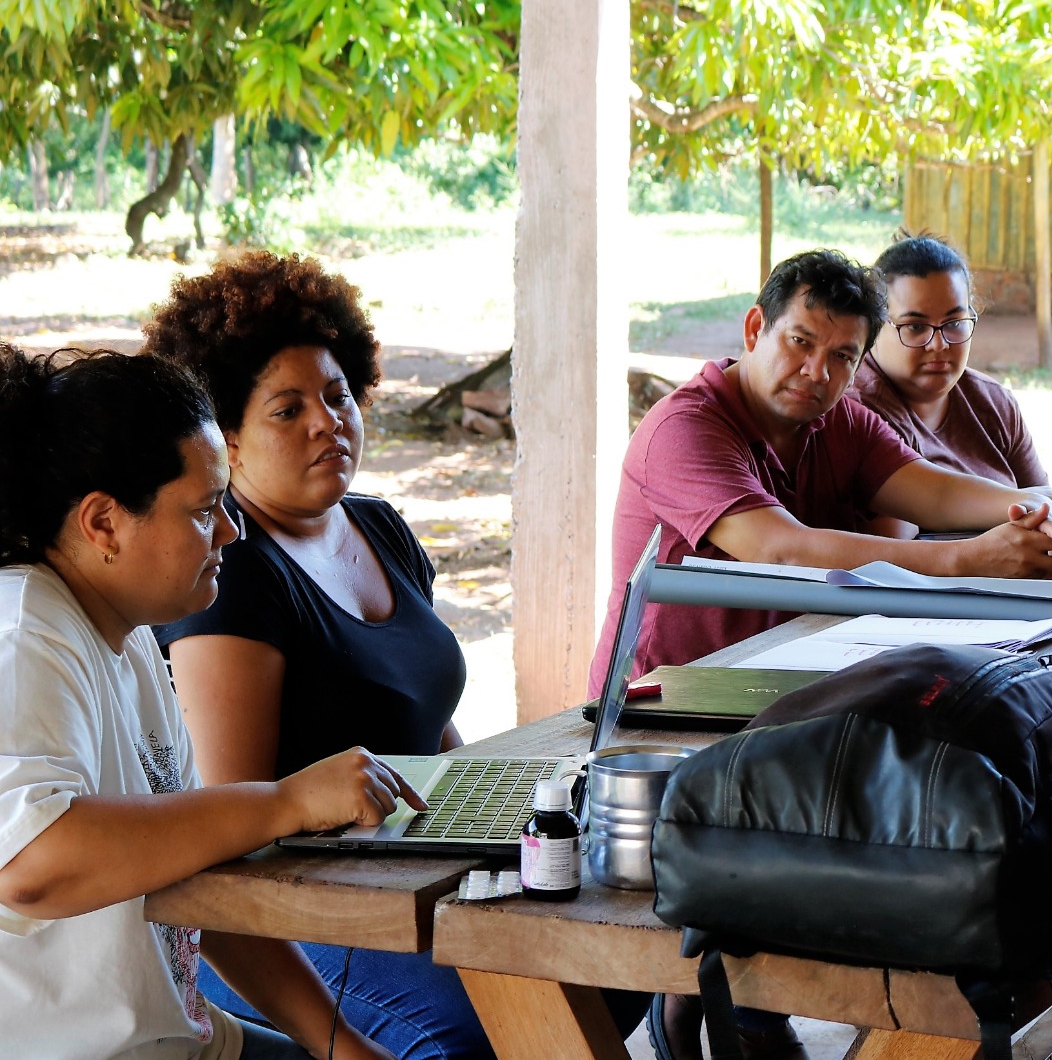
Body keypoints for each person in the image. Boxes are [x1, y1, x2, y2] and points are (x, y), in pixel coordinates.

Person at [143, 253, 647, 1057]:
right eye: (287, 410)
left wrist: (501, 800)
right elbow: (235, 833)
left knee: (620, 956)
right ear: (226, 438)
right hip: (301, 920)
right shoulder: (236, 572)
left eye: (338, 396)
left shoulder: (379, 527)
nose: (326, 422)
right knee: (507, 1017)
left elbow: (427, 724)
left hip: (414, 870)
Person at [0, 346, 426, 1060]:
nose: (231, 529)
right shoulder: (23, 633)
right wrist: (283, 800)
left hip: (182, 1036)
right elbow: (32, 862)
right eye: (205, 510)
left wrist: (336, 1043)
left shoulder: (123, 628)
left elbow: (193, 870)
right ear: (103, 523)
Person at [589, 248, 1052, 686]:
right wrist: (966, 560)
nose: (816, 372)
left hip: (780, 679)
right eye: (800, 342)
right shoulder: (685, 427)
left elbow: (932, 493)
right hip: (664, 700)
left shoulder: (837, 419)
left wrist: (1032, 504)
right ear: (755, 328)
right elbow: (778, 551)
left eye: (842, 356)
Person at [850, 235, 1052, 503]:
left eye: (954, 323)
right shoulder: (856, 416)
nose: (939, 345)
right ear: (874, 326)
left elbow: (1051, 507)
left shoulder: (994, 404)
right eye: (916, 327)